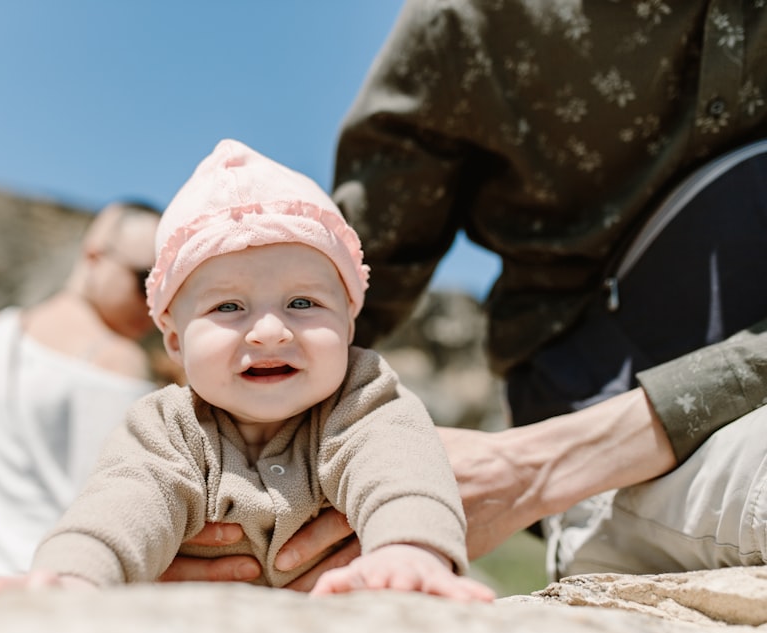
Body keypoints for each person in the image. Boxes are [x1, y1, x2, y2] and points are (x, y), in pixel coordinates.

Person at [165, 0, 767, 585]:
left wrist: (529, 470)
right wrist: (208, 482)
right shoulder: (471, 17)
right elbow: (337, 288)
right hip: (616, 441)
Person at [18, 138, 493, 600]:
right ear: (177, 342)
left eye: (302, 302)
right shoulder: (168, 426)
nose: (269, 331)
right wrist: (75, 575)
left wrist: (408, 550)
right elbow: (121, 504)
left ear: (349, 322)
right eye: (228, 306)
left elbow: (401, 469)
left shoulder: (361, 395)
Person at [0, 200, 165, 597]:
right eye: (145, 279)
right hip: (27, 585)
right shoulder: (118, 361)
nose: (154, 304)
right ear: (95, 253)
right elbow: (116, 505)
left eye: (167, 289)